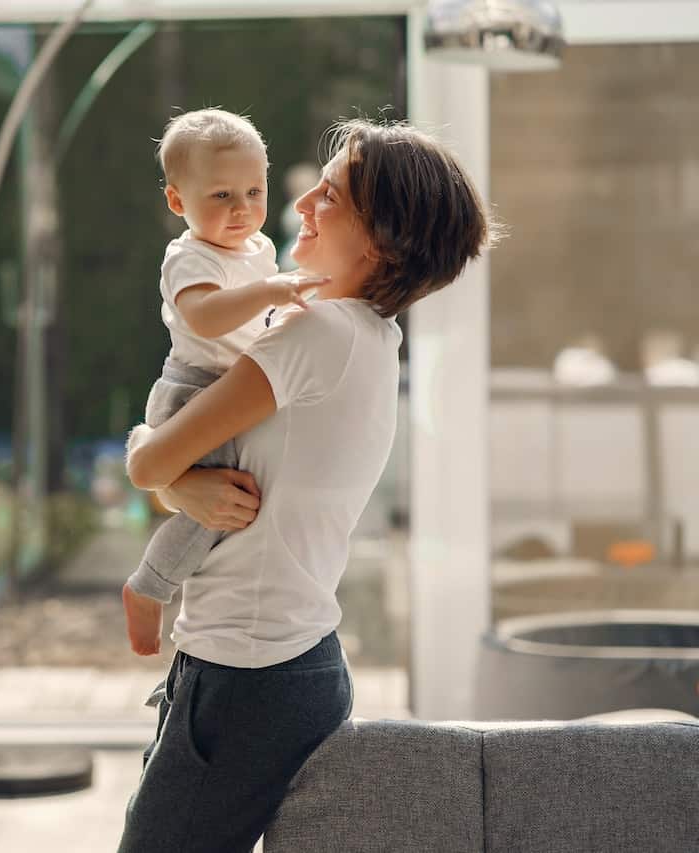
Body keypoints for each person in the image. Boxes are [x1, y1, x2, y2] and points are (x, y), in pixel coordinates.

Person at [117, 118, 495, 853]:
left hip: (247, 673)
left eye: (331, 193)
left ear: (381, 238)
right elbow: (214, 474)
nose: (301, 204)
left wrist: (171, 478)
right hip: (273, 660)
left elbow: (146, 464)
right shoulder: (367, 335)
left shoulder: (316, 336)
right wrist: (185, 488)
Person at [122, 108, 328, 656]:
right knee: (212, 512)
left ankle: (161, 585)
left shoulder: (258, 247)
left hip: (227, 384)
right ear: (177, 202)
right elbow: (207, 318)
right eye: (220, 196)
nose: (242, 210)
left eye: (254, 192)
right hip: (194, 388)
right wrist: (270, 294)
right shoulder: (188, 257)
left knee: (222, 505)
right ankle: (150, 587)